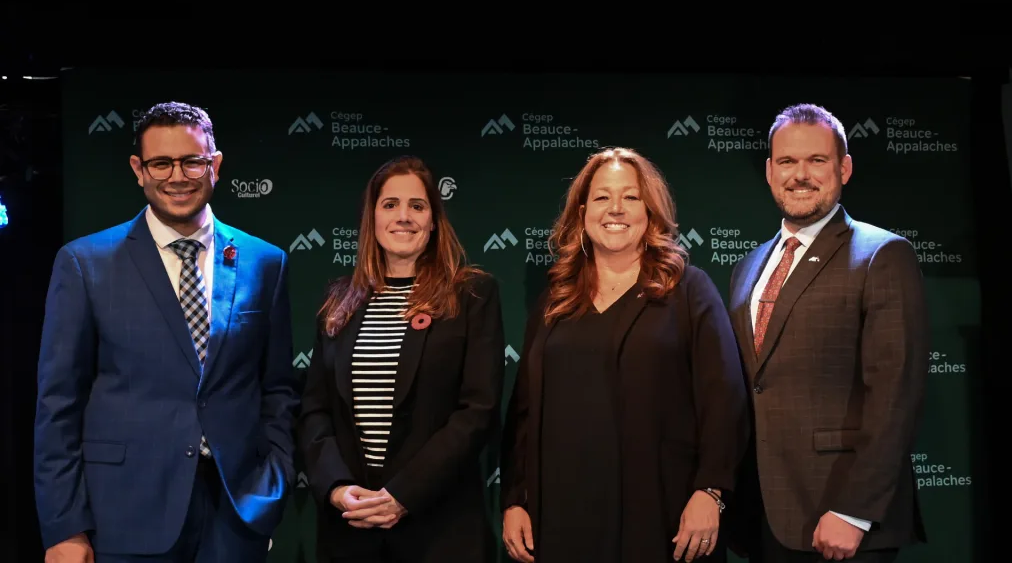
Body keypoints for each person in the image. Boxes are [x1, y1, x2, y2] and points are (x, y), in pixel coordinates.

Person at [33, 101, 300, 562]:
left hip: (236, 517)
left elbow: (277, 388)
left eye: (192, 160)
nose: (177, 175)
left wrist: (271, 485)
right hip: (123, 513)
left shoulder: (266, 262)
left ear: (214, 164)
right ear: (139, 169)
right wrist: (65, 527)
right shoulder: (84, 263)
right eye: (161, 162)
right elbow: (58, 404)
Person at [500, 147, 750, 563]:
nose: (615, 208)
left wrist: (711, 491)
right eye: (601, 197)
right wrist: (514, 499)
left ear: (649, 212)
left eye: (631, 197)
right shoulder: (554, 302)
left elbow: (725, 400)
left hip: (664, 519)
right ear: (582, 213)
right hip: (563, 519)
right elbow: (524, 415)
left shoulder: (689, 290)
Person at [726, 103, 929, 562]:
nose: (801, 174)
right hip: (762, 514)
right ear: (769, 171)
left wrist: (855, 511)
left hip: (842, 519)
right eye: (787, 161)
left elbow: (896, 393)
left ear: (844, 167)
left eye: (816, 160)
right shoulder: (746, 268)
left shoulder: (883, 254)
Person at [297, 155, 505, 563]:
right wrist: (338, 489)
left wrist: (403, 494)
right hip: (351, 530)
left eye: (417, 205)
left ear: (433, 219)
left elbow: (477, 410)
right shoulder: (338, 300)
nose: (403, 216)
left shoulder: (472, 295)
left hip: (441, 530)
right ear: (371, 218)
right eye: (389, 204)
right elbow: (314, 410)